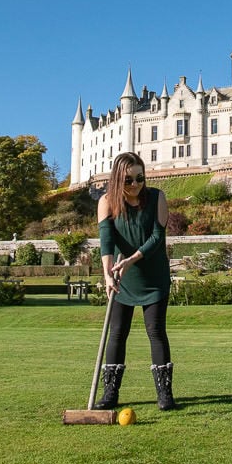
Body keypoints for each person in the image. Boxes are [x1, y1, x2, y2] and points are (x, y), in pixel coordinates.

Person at [93, 152, 176, 411]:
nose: (136, 184)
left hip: (154, 275)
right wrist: (107, 273)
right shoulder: (107, 202)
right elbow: (106, 242)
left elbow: (156, 238)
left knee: (155, 332)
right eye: (129, 180)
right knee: (117, 334)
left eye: (140, 178)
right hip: (122, 277)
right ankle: (110, 394)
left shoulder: (157, 198)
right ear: (118, 179)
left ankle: (164, 394)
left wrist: (131, 260)